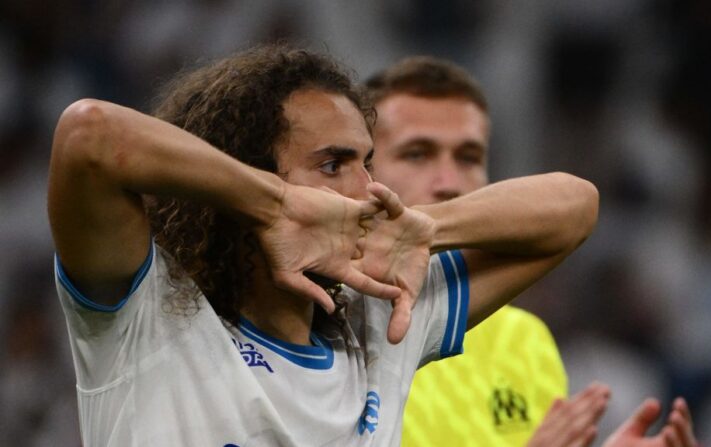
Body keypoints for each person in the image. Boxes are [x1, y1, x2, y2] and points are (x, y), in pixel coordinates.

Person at [47, 44, 599, 446]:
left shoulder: (383, 324)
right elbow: (90, 134)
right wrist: (273, 205)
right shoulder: (145, 314)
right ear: (247, 174)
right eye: (332, 165)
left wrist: (430, 226)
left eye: (369, 164)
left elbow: (575, 207)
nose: (367, 191)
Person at [366, 56, 698, 447]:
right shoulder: (336, 324)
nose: (449, 182)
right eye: (417, 153)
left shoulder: (525, 340)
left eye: (469, 157)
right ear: (365, 172)